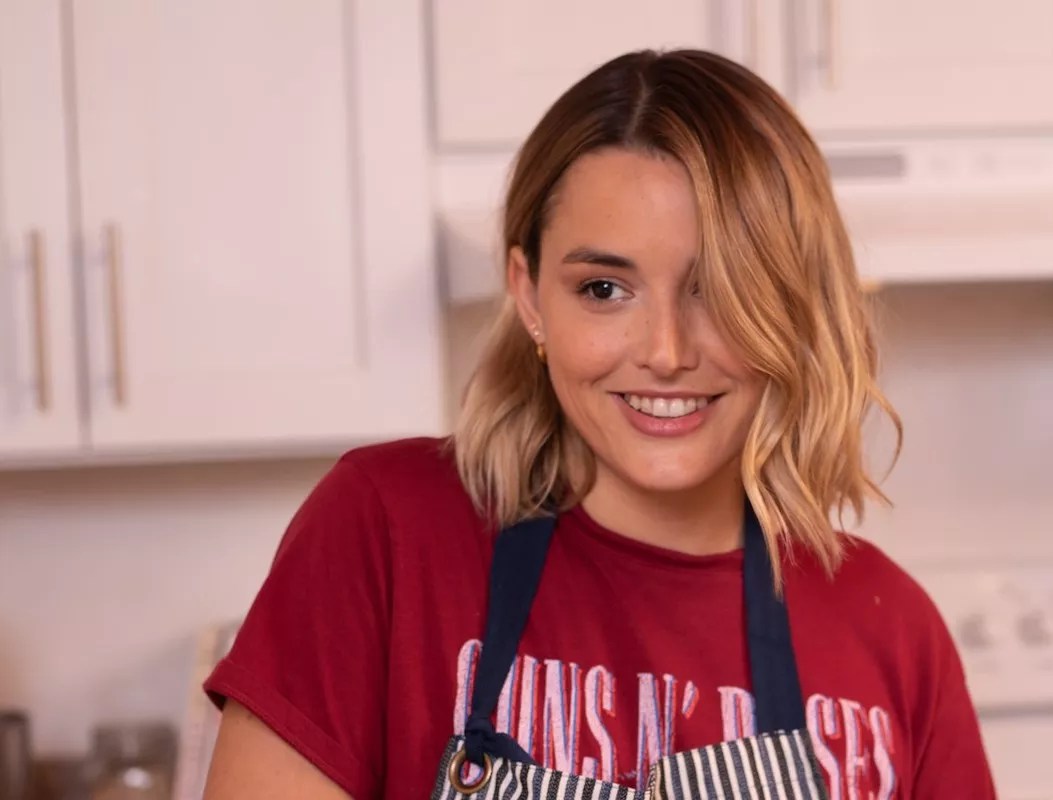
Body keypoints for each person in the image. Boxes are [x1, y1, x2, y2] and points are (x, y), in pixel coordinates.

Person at [201, 49, 996, 800]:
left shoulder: (894, 635)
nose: (665, 353)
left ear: (791, 308)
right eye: (604, 290)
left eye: (720, 290)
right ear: (528, 295)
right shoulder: (386, 532)